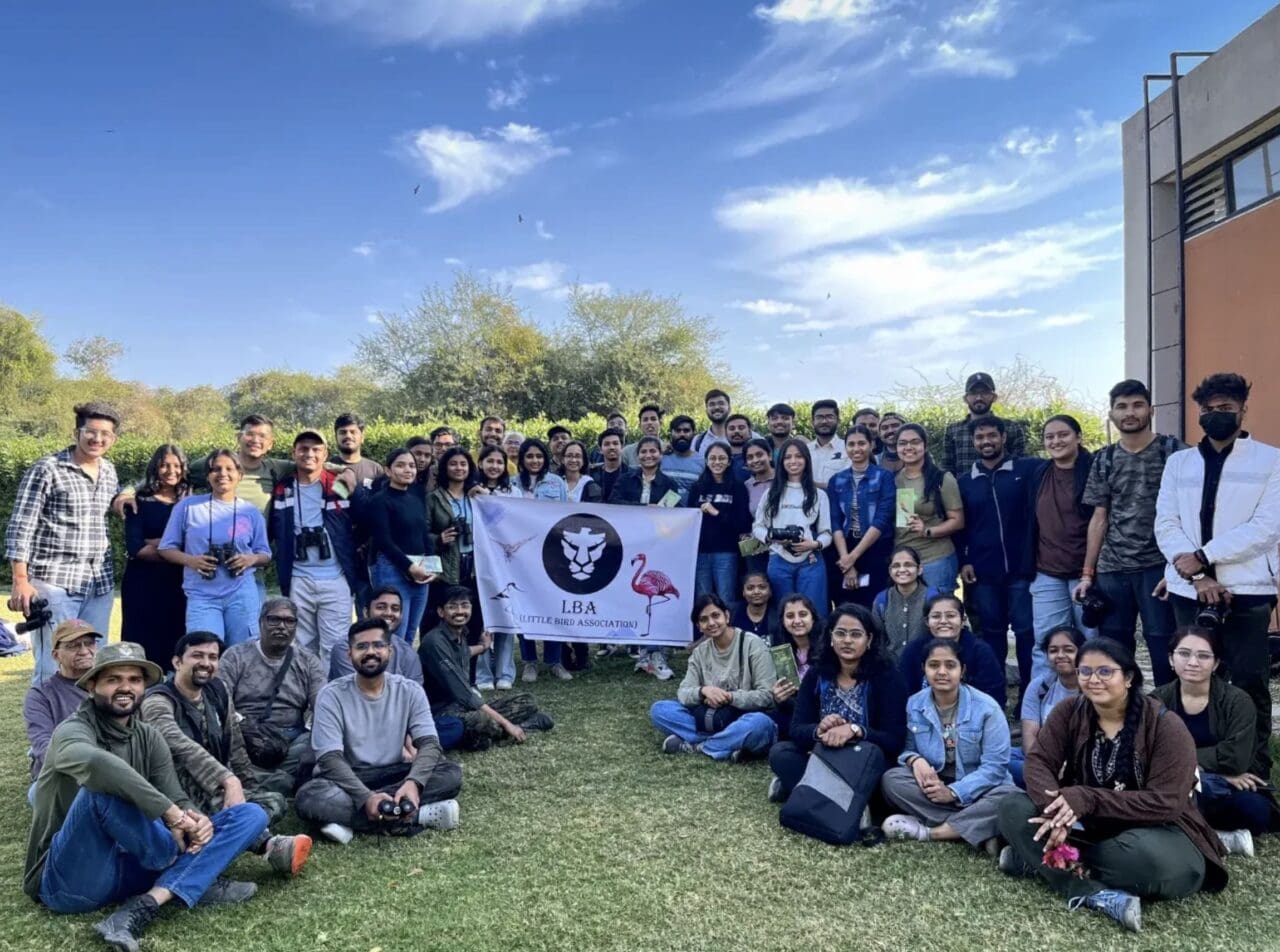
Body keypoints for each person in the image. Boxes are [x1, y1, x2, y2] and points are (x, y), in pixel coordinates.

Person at [25, 642, 270, 950]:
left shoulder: (148, 736)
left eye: (134, 680)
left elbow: (176, 795)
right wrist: (172, 814)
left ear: (144, 687)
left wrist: (196, 821)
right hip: (70, 880)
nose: (125, 687)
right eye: (113, 679)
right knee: (100, 792)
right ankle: (192, 875)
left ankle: (151, 900)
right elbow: (97, 764)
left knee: (251, 814)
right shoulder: (71, 731)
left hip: (134, 864)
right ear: (91, 686)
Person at [997, 638, 1227, 934]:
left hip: (1156, 830)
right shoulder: (1069, 711)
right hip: (1086, 827)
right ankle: (1088, 891)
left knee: (1151, 864)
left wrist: (1088, 798)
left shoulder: (1165, 725)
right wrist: (1055, 814)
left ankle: (1039, 860)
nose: (1093, 680)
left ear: (1128, 677)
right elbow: (1039, 762)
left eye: (1105, 671)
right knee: (1012, 807)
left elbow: (1166, 803)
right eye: (1085, 671)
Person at [1155, 372, 1280, 773]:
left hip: (1248, 587)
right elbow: (1165, 523)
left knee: (1249, 680)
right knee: (1192, 677)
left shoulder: (1271, 460)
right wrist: (1197, 575)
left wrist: (1204, 556)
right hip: (1188, 591)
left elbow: (1267, 527)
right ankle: (1191, 764)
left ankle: (1254, 769)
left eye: (1226, 407)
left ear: (1243, 409)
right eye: (1208, 409)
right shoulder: (1178, 463)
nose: (1216, 415)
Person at [140, 632, 312, 878]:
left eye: (213, 657)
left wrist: (245, 786)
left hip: (215, 787)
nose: (206, 663)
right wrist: (228, 780)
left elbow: (235, 743)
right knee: (240, 810)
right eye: (197, 656)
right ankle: (267, 845)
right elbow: (177, 742)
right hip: (175, 792)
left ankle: (233, 834)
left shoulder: (217, 690)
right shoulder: (158, 701)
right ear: (177, 662)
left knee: (275, 798)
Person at [295, 618, 463, 844]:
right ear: (349, 654)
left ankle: (354, 819)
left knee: (450, 773)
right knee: (309, 796)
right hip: (348, 777)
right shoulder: (331, 695)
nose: (370, 652)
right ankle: (416, 816)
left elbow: (430, 744)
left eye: (378, 645)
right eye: (361, 646)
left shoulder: (410, 690)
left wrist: (413, 783)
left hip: (394, 771)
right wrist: (365, 797)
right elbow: (329, 759)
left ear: (389, 651)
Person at [1076, 379, 1184, 686]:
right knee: (1114, 649)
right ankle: (1122, 708)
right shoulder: (1104, 458)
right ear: (1112, 413)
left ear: (1151, 410)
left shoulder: (1175, 453)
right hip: (1113, 570)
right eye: (1121, 406)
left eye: (1137, 405)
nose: (1130, 412)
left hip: (1158, 567)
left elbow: (1191, 514)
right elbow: (1099, 517)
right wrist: (1088, 573)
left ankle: (1165, 710)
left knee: (1163, 644)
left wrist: (1178, 567)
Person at [7, 401, 120, 684]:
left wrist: (127, 494)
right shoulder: (47, 469)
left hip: (99, 584)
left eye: (105, 434)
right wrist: (20, 579)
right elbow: (21, 524)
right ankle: (48, 716)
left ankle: (85, 716)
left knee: (93, 662)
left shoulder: (109, 471)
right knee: (53, 666)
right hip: (54, 583)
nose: (97, 439)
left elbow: (118, 496)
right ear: (77, 432)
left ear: (113, 439)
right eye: (91, 431)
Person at [881, 638, 1018, 849]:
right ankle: (979, 827)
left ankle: (931, 833)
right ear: (923, 669)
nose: (942, 672)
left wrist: (953, 792)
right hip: (935, 782)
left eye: (950, 665)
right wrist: (914, 760)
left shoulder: (987, 709)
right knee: (892, 780)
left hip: (979, 786)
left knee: (1009, 798)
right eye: (934, 665)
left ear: (962, 670)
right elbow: (906, 748)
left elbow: (995, 768)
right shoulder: (914, 705)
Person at [767, 604, 907, 807]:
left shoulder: (888, 677)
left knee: (887, 780)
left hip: (865, 760)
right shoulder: (817, 673)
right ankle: (842, 802)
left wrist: (855, 730)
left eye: (856, 634)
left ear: (869, 639)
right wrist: (819, 729)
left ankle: (807, 791)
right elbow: (797, 729)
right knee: (781, 754)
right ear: (831, 637)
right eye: (840, 633)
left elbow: (894, 740)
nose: (847, 640)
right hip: (825, 756)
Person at [1152, 627, 1277, 844]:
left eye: (1203, 656)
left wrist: (1186, 765)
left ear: (1216, 664)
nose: (1193, 662)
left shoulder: (1237, 701)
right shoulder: (1156, 700)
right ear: (1171, 659)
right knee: (1156, 795)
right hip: (1174, 785)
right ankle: (1214, 835)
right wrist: (1216, 776)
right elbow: (1152, 755)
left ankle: (1186, 827)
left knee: (1255, 809)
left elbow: (1235, 758)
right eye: (1184, 654)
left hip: (1222, 790)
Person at [956, 416, 1040, 689]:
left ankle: (1029, 695)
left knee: (1027, 634)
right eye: (980, 437)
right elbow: (960, 526)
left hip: (1022, 570)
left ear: (1003, 437)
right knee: (991, 635)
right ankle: (994, 696)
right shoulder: (964, 481)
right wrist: (964, 560)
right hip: (983, 573)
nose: (986, 441)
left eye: (992, 435)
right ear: (973, 442)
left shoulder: (1028, 470)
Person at [158, 449, 272, 647]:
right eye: (216, 469)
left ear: (240, 474)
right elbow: (166, 548)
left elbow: (265, 554)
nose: (222, 474)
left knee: (244, 650)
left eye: (229, 469)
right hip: (202, 594)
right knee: (203, 650)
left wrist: (250, 559)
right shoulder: (188, 507)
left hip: (241, 592)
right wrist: (191, 561)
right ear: (207, 475)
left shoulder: (251, 512)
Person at [419, 587, 553, 750]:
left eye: (464, 605)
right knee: (481, 719)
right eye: (452, 607)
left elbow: (464, 653)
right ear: (441, 612)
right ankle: (518, 729)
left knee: (527, 700)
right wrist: (507, 723)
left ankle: (496, 732)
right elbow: (465, 694)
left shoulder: (459, 634)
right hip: (441, 712)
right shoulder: (434, 641)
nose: (460, 611)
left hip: (462, 707)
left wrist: (483, 647)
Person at [649, 594, 778, 761]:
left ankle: (700, 746)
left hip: (744, 717)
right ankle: (728, 744)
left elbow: (768, 695)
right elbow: (683, 693)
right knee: (660, 710)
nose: (711, 623)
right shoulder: (700, 652)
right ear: (699, 626)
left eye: (716, 615)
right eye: (704, 620)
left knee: (761, 723)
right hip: (710, 719)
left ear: (727, 616)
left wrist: (729, 697)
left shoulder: (753, 644)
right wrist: (703, 691)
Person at [218, 598, 326, 795]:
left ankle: (258, 780)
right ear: (261, 622)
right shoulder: (235, 656)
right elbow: (220, 699)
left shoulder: (309, 661)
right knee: (220, 742)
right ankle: (279, 781)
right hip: (244, 735)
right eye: (274, 619)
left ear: (296, 626)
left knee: (317, 743)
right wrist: (242, 728)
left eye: (289, 621)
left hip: (290, 738)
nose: (281, 626)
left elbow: (322, 706)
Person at [270, 431, 359, 661]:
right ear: (294, 453)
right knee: (301, 647)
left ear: (325, 454)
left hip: (336, 577)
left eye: (316, 449)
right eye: (303, 448)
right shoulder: (282, 489)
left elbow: (361, 514)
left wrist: (349, 472)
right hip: (298, 578)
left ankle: (334, 686)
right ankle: (305, 686)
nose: (309, 454)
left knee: (336, 648)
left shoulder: (337, 485)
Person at [1027, 415, 1097, 682]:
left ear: (1078, 437)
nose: (1056, 441)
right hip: (1047, 572)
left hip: (1087, 574)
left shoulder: (1094, 470)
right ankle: (1043, 703)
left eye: (1063, 434)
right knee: (1046, 644)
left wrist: (1090, 572)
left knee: (1089, 642)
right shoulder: (1039, 473)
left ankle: (1091, 699)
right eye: (1050, 437)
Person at [121, 444, 189, 664]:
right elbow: (136, 548)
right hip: (143, 583)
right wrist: (174, 547)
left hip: (179, 583)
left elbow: (194, 544)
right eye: (164, 465)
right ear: (155, 468)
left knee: (176, 639)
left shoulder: (190, 503)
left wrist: (156, 543)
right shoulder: (138, 501)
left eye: (176, 466)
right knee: (141, 640)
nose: (171, 471)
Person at [752, 438, 832, 620]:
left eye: (798, 456)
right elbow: (758, 527)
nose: (793, 461)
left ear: (806, 460)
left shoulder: (819, 495)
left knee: (815, 613)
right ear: (781, 461)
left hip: (810, 560)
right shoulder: (771, 493)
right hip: (778, 558)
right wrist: (771, 537)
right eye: (788, 457)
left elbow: (826, 533)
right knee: (783, 613)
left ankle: (817, 641)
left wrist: (814, 544)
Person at [366, 447, 438, 643]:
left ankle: (403, 665)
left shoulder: (416, 498)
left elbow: (424, 534)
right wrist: (409, 567)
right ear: (388, 471)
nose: (408, 470)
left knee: (410, 634)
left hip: (420, 571)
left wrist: (432, 567)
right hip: (392, 569)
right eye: (401, 465)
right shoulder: (379, 500)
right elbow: (383, 541)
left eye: (412, 466)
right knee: (394, 633)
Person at [24, 620, 97, 795]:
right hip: (62, 774)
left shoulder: (110, 683)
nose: (84, 651)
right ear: (56, 655)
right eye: (73, 646)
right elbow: (43, 745)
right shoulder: (41, 695)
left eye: (89, 643)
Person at [827, 424, 896, 609]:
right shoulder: (836, 480)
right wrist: (847, 561)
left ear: (871, 445)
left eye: (861, 443)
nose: (856, 448)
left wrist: (853, 557)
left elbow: (881, 519)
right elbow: (835, 522)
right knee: (846, 606)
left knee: (875, 605)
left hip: (875, 549)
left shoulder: (884, 477)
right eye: (851, 444)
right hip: (844, 548)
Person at [893, 423, 964, 595]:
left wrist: (928, 530)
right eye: (902, 443)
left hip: (935, 559)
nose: (908, 447)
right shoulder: (893, 479)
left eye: (915, 442)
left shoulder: (942, 478)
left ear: (925, 446)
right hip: (904, 560)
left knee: (938, 608)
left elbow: (958, 521)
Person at [1009, 625, 1083, 788]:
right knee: (996, 758)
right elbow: (1029, 736)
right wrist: (1042, 767)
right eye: (1053, 650)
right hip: (1042, 758)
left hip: (1079, 761)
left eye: (1069, 650)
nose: (1060, 655)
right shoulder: (1040, 686)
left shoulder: (1093, 687)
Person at [897, 594, 1005, 705]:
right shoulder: (913, 650)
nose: (943, 621)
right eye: (936, 616)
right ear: (927, 622)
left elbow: (994, 695)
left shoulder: (980, 651)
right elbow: (902, 691)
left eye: (951, 616)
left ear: (963, 620)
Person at [426, 447, 482, 646]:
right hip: (446, 567)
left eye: (463, 464)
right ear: (445, 468)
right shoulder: (433, 498)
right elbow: (422, 533)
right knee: (441, 619)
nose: (459, 468)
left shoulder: (476, 497)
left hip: (474, 567)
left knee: (473, 619)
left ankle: (469, 661)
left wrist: (485, 495)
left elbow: (498, 522)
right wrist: (438, 539)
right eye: (453, 464)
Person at [688, 442, 750, 608]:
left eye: (722, 458)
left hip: (727, 552)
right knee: (703, 599)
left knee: (725, 598)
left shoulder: (738, 487)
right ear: (706, 461)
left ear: (729, 461)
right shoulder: (697, 487)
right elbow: (688, 519)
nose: (717, 462)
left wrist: (716, 512)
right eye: (713, 458)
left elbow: (742, 522)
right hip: (700, 552)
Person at [328, 587, 425, 684]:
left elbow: (414, 691)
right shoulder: (345, 647)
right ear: (366, 612)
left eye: (395, 609)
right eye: (381, 607)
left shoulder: (408, 653)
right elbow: (356, 688)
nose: (388, 613)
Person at [941, 372, 1027, 475]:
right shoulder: (953, 430)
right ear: (965, 398)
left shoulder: (1011, 427)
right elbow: (947, 469)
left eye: (985, 393)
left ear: (994, 397)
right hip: (963, 485)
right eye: (973, 393)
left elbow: (1021, 466)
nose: (979, 398)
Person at [872, 546, 939, 659]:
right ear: (890, 571)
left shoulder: (932, 598)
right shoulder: (882, 600)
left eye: (908, 565)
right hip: (891, 665)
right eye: (896, 566)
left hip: (925, 663)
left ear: (919, 569)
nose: (902, 570)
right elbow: (877, 639)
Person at [610, 436, 679, 508]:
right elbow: (613, 502)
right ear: (638, 456)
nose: (648, 455)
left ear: (661, 455)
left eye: (653, 451)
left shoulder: (670, 484)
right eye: (643, 452)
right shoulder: (624, 480)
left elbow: (671, 510)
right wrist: (645, 506)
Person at [661, 415, 706, 504]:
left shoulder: (702, 462)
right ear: (671, 433)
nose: (682, 434)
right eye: (677, 431)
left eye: (686, 431)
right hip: (664, 511)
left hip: (692, 511)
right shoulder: (661, 458)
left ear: (693, 433)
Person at [332, 412, 384, 489]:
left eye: (353, 432)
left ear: (362, 437)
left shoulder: (375, 470)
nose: (348, 436)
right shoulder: (325, 469)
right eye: (343, 432)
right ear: (336, 437)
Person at [806, 399, 849, 489]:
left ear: (838, 421)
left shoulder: (848, 448)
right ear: (812, 422)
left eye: (830, 417)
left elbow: (848, 483)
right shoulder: (805, 450)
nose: (824, 421)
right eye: (819, 417)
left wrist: (811, 486)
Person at [511, 437, 568, 502]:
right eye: (529, 456)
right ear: (522, 459)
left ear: (545, 459)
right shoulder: (512, 482)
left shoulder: (557, 481)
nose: (535, 461)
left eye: (539, 456)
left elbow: (564, 507)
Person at [731, 571, 776, 640]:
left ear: (770, 591)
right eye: (750, 588)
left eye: (762, 587)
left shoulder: (778, 618)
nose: (756, 592)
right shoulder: (733, 615)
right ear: (743, 592)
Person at [590, 428, 627, 501]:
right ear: (600, 449)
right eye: (607, 444)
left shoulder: (631, 474)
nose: (611, 447)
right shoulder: (592, 474)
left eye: (615, 443)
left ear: (622, 447)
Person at [691, 388, 732, 455]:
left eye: (721, 403)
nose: (716, 407)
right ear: (706, 410)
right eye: (712, 404)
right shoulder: (696, 441)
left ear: (729, 408)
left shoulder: (744, 438)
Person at [724, 413, 755, 482]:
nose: (736, 431)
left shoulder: (758, 458)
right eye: (732, 428)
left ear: (750, 432)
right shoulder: (719, 459)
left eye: (741, 428)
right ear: (725, 434)